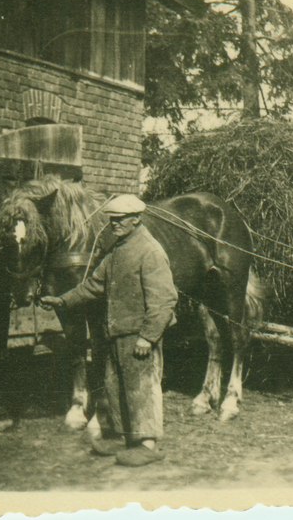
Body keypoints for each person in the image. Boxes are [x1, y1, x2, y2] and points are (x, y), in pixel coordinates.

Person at [40, 194, 177, 467]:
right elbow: (93, 286)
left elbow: (164, 300)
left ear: (136, 219)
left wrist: (148, 337)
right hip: (116, 331)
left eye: (119, 220)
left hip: (138, 335)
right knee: (115, 386)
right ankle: (120, 436)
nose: (113, 224)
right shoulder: (118, 250)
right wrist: (63, 300)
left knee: (141, 388)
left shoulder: (150, 251)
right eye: (111, 220)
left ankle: (148, 445)